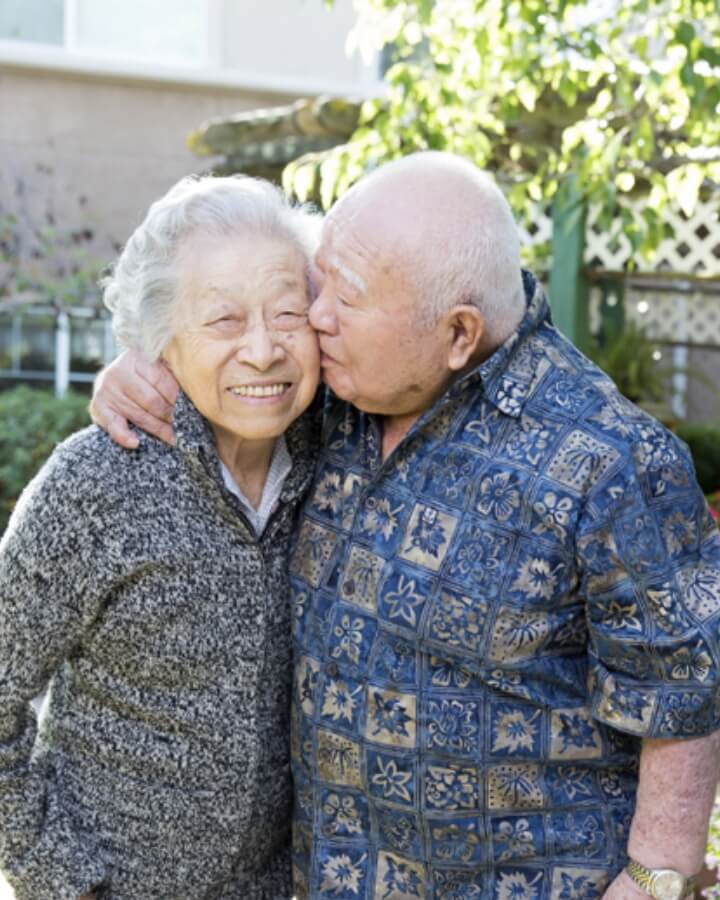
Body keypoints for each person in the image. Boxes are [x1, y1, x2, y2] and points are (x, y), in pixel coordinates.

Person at [91, 153, 720, 900]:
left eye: (345, 301)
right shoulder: (332, 398)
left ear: (458, 334)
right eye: (321, 284)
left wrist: (655, 879)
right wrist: (141, 367)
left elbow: (682, 689)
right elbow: (228, 352)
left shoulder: (610, 462)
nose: (316, 317)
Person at [0, 174, 321, 900]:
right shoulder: (95, 485)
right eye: (224, 321)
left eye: (289, 313)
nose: (265, 350)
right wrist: (61, 879)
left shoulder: (343, 462)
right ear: (159, 341)